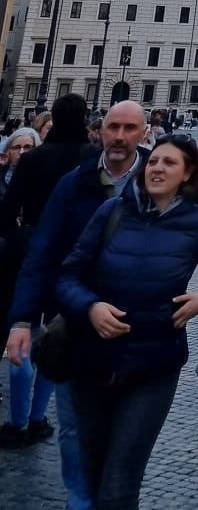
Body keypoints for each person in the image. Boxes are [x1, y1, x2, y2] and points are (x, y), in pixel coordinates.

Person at [55, 133, 198, 510]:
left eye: (169, 163)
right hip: (91, 360)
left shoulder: (197, 223)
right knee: (93, 476)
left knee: (119, 484)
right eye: (154, 161)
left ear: (188, 173)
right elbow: (67, 276)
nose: (157, 168)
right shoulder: (112, 211)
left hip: (152, 369)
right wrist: (91, 307)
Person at [5, 100, 149, 510]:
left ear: (143, 134)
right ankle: (80, 501)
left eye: (129, 128)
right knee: (73, 428)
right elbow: (44, 253)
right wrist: (21, 318)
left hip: (141, 328)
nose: (119, 136)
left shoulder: (164, 177)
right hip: (77, 319)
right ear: (98, 130)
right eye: (112, 127)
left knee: (128, 438)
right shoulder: (76, 181)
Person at [0, 128, 51, 450]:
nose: (23, 152)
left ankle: (32, 419)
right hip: (6, 272)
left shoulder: (45, 186)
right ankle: (22, 421)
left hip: (34, 273)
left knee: (36, 343)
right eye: (17, 147)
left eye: (29, 146)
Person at [0, 93, 91, 238]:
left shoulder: (32, 158)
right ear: (84, 118)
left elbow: (9, 210)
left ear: (54, 118)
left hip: (36, 236)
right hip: (80, 240)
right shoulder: (94, 156)